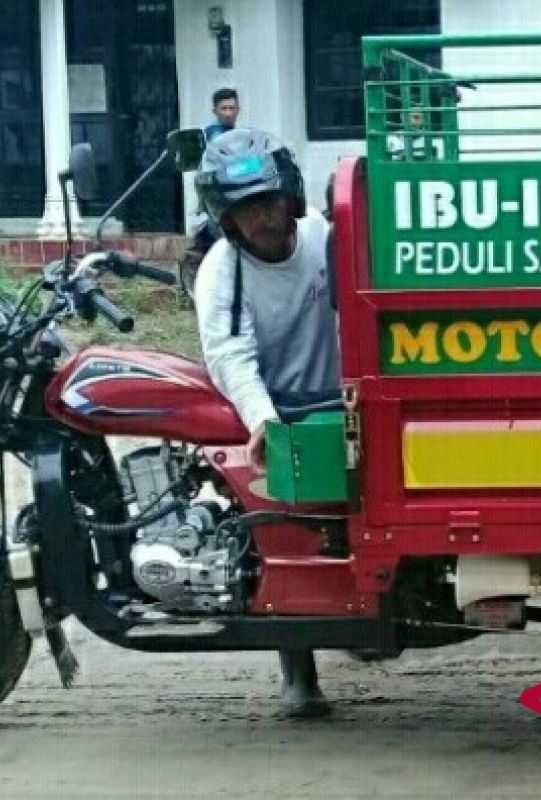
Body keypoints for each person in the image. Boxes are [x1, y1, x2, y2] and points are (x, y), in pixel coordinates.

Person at [193, 128, 340, 718]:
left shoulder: (327, 240)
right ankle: (297, 668)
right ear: (227, 218)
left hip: (342, 396)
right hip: (274, 404)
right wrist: (263, 422)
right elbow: (230, 356)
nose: (265, 216)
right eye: (248, 207)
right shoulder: (221, 273)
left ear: (292, 197)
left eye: (271, 200)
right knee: (283, 524)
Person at [180, 88, 242, 298]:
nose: (228, 112)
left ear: (238, 110)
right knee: (223, 244)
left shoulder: (239, 137)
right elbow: (228, 167)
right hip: (218, 202)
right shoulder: (213, 136)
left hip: (238, 198)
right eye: (223, 108)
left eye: (232, 108)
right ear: (215, 110)